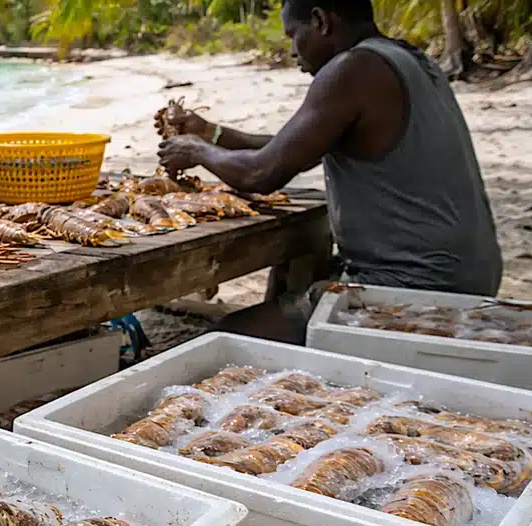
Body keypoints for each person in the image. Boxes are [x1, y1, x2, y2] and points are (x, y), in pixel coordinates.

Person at [155, 0, 503, 344]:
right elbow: (291, 148)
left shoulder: (353, 69)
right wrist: (209, 133)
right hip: (470, 274)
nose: (292, 51)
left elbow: (260, 174)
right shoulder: (409, 59)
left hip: (417, 285)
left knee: (221, 337)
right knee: (291, 275)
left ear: (320, 21)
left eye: (293, 35)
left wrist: (197, 151)